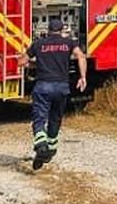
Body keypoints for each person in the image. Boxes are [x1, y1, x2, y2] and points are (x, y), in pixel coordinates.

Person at [18, 18, 87, 170]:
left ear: (48, 30)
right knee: (55, 118)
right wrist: (83, 77)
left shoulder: (39, 44)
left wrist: (33, 63)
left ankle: (41, 144)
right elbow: (81, 56)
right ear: (62, 30)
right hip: (62, 87)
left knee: (40, 118)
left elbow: (22, 62)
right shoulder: (69, 43)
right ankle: (51, 149)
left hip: (43, 86)